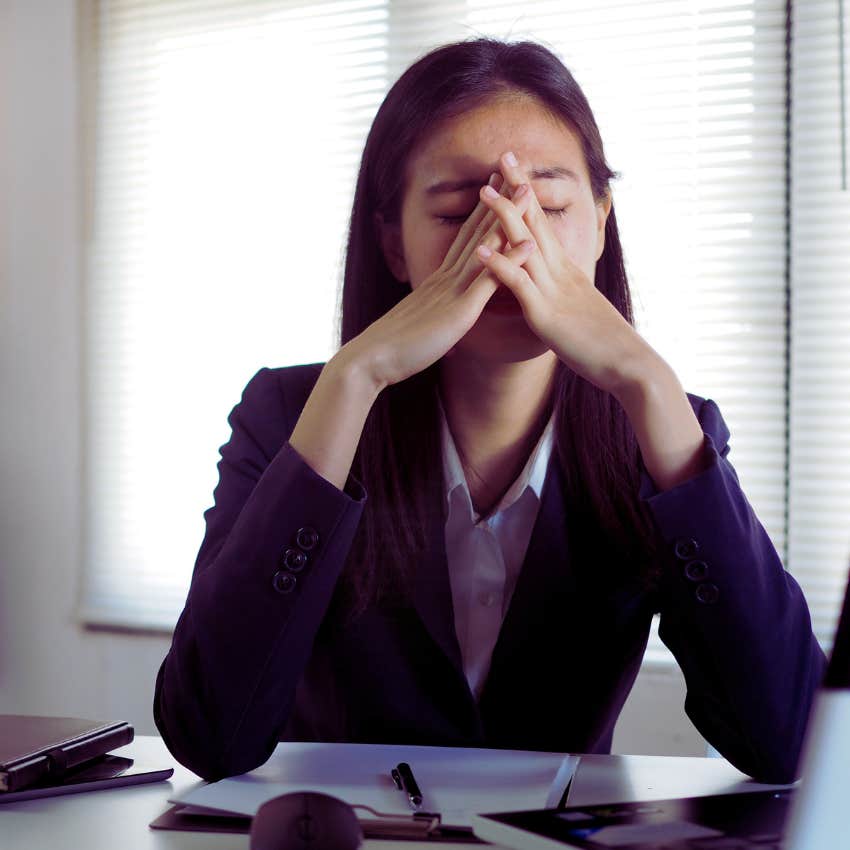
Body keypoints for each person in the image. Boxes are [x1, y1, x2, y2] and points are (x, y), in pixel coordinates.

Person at [153, 38, 825, 784]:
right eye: (456, 214)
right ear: (393, 244)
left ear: (602, 222)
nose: (509, 241)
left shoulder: (660, 428)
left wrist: (648, 383)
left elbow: (792, 743)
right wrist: (356, 376)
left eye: (552, 206)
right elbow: (206, 731)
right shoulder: (290, 414)